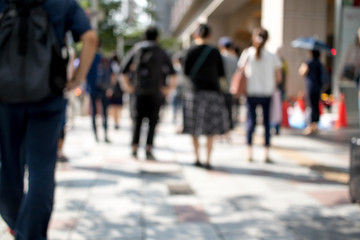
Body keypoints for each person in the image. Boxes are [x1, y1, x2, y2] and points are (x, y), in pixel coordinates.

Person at [0, 0, 97, 239]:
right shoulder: (62, 3)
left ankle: (15, 224)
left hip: (4, 96)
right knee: (42, 170)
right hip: (48, 95)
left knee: (7, 167)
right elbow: (91, 38)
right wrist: (77, 78)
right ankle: (30, 234)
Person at [121, 26, 177, 160]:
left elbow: (122, 70)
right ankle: (148, 149)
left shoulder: (136, 49)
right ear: (157, 38)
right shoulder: (161, 51)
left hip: (138, 92)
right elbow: (173, 73)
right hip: (155, 93)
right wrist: (167, 89)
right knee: (153, 122)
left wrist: (128, 86)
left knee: (137, 121)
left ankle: (134, 148)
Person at [183, 24, 229, 169]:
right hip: (212, 94)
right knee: (210, 129)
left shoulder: (190, 50)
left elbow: (185, 72)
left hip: (194, 93)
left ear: (196, 35)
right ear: (210, 35)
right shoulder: (215, 52)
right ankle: (208, 160)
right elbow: (222, 75)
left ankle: (197, 158)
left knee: (193, 127)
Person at [238, 27, 282, 163]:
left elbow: (240, 72)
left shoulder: (248, 53)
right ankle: (266, 153)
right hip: (267, 94)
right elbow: (279, 77)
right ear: (267, 39)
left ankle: (249, 152)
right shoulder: (272, 56)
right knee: (267, 123)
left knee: (251, 121)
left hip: (251, 93)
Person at [86, 43, 112, 143]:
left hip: (92, 88)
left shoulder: (88, 58)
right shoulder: (104, 58)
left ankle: (96, 135)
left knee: (94, 111)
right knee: (104, 112)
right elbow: (110, 74)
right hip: (103, 88)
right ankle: (105, 134)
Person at [298, 50, 324, 135]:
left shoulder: (309, 62)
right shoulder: (319, 63)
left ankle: (310, 125)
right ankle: (315, 125)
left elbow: (302, 72)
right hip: (318, 87)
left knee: (310, 106)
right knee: (316, 106)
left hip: (311, 86)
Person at [218, 36, 238, 139]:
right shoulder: (234, 59)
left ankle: (220, 133)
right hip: (231, 88)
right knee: (229, 111)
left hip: (219, 89)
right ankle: (227, 133)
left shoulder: (219, 57)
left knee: (219, 112)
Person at [108, 55, 123, 130]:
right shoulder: (120, 65)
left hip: (115, 88)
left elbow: (113, 77)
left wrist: (111, 88)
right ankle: (116, 121)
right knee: (118, 106)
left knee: (114, 106)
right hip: (120, 89)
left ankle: (115, 121)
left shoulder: (112, 65)